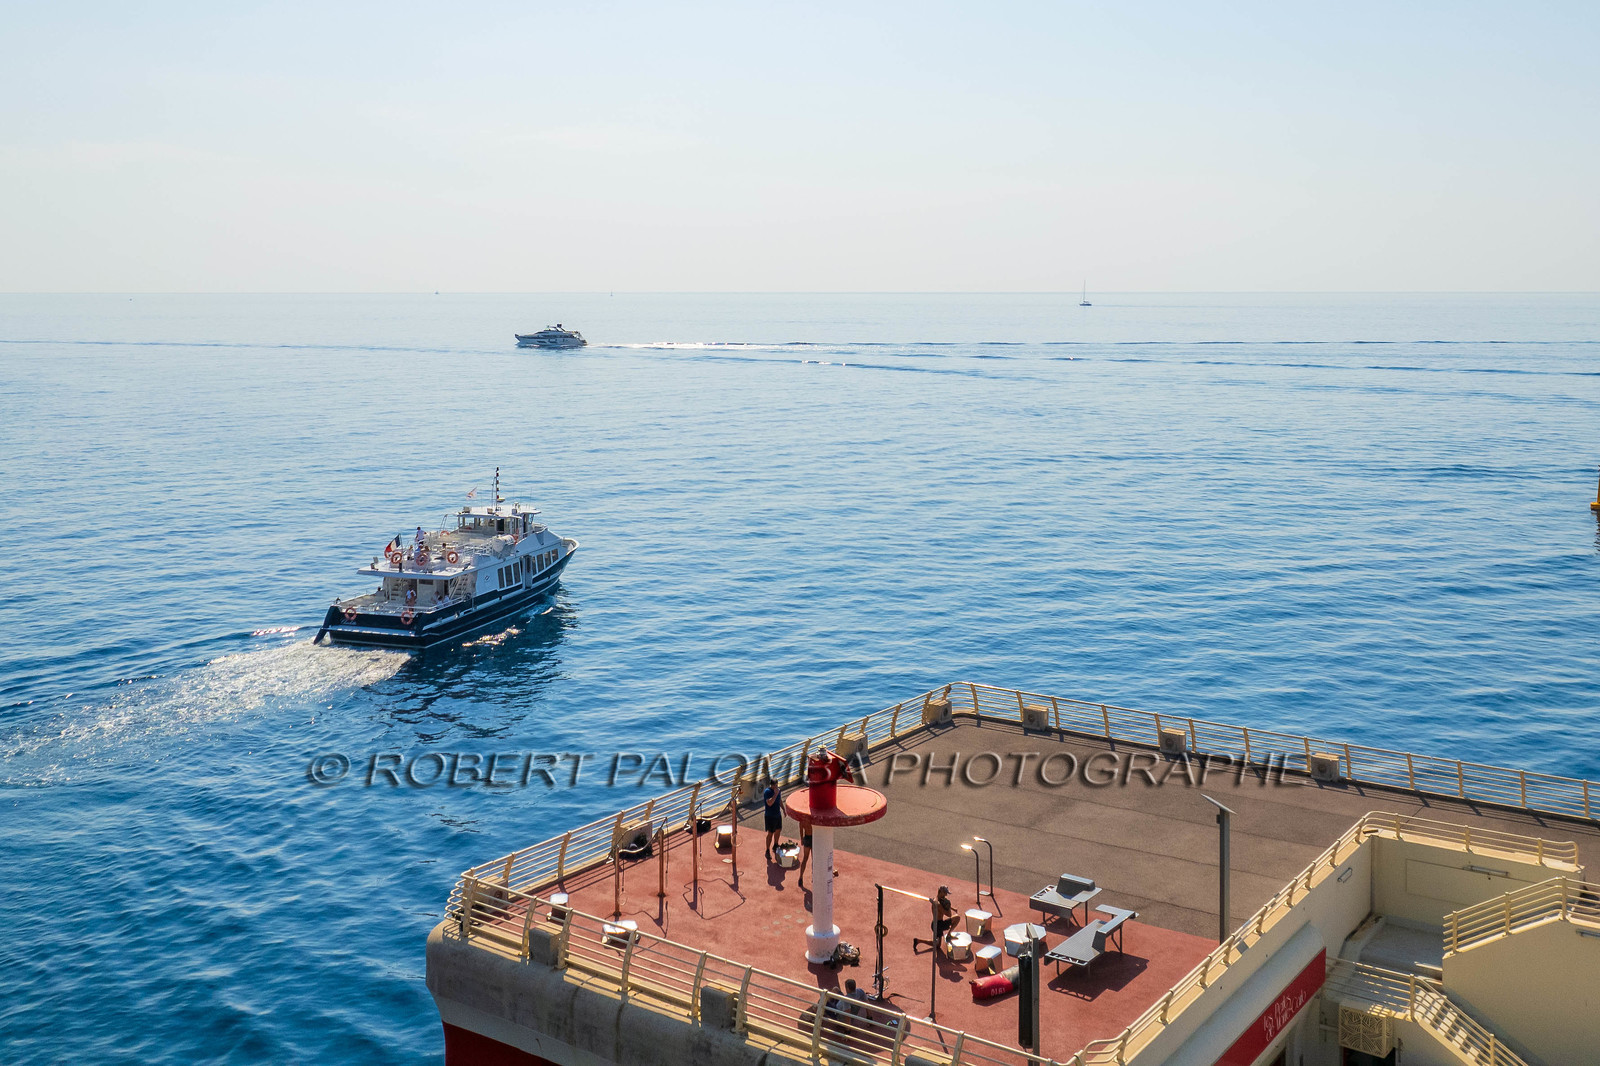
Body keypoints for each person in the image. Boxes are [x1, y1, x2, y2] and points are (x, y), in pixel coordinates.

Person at [914, 886, 958, 956]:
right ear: (940, 892)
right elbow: (949, 914)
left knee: (937, 945)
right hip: (939, 925)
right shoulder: (938, 904)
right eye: (945, 893)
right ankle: (949, 935)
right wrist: (949, 907)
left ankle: (918, 941)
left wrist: (952, 908)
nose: (946, 895)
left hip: (936, 923)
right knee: (957, 918)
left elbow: (943, 904)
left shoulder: (937, 899)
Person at [762, 778, 783, 861]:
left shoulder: (778, 791)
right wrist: (775, 794)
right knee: (770, 833)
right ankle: (767, 850)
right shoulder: (767, 792)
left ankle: (776, 845)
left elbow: (780, 800)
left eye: (777, 785)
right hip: (770, 816)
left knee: (778, 830)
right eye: (774, 785)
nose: (776, 786)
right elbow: (769, 803)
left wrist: (783, 809)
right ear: (771, 785)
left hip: (777, 814)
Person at [796, 814, 814, 884]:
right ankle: (814, 876)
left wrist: (801, 839)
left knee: (805, 858)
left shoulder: (802, 821)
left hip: (806, 838)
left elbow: (801, 830)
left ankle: (800, 877)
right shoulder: (812, 819)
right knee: (814, 859)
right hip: (813, 838)